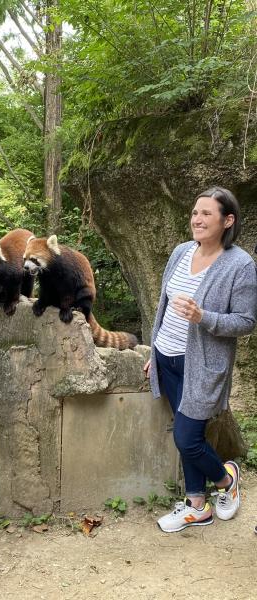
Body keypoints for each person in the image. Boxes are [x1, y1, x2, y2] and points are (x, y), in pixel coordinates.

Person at [143, 187, 257, 533]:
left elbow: (247, 321)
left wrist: (203, 317)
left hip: (202, 366)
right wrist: (154, 353)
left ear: (228, 220)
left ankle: (226, 480)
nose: (197, 219)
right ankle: (197, 506)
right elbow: (162, 308)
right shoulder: (180, 252)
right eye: (195, 212)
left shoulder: (240, 265)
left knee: (187, 437)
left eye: (207, 213)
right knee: (185, 431)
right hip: (167, 357)